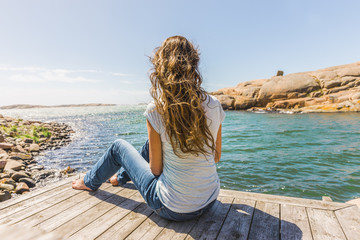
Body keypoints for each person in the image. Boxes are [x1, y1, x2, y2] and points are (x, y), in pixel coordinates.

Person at [72, 35, 225, 221]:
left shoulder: (157, 109)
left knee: (118, 147)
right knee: (150, 144)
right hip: (209, 201)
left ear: (161, 66)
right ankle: (118, 178)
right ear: (194, 64)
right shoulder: (214, 105)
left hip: (172, 208)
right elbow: (215, 156)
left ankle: (88, 182)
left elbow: (156, 170)